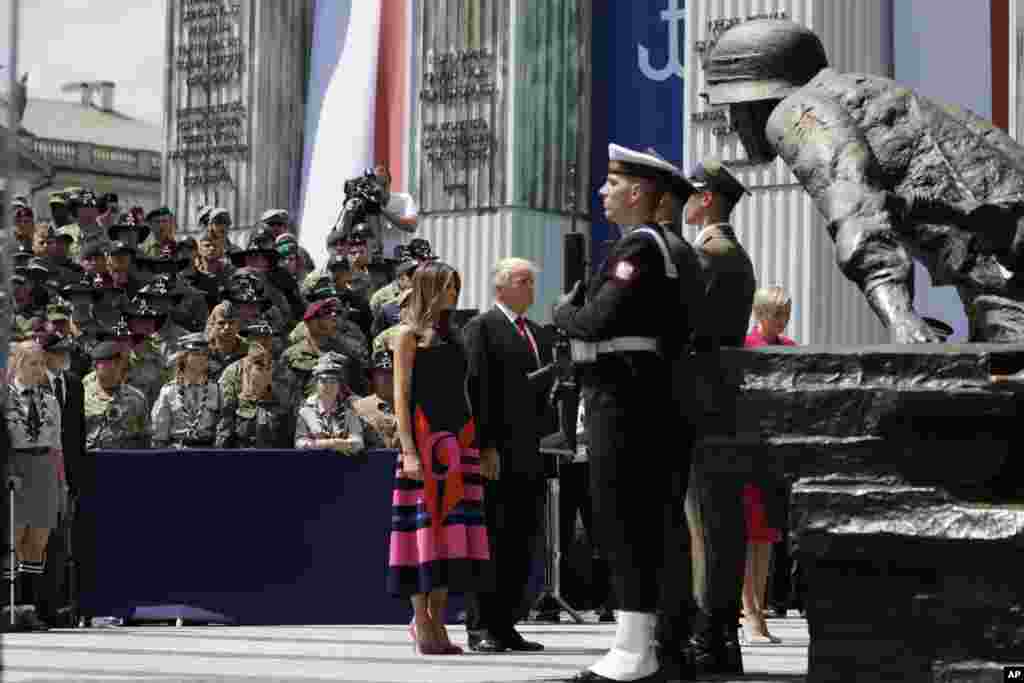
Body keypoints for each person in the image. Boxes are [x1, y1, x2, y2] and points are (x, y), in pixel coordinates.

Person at [705, 18, 1024, 343]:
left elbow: (855, 204)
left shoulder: (795, 111)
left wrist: (900, 318)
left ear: (757, 99)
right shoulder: (871, 92)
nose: (733, 121)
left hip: (1006, 265)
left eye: (734, 104)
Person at [552, 144, 705, 683]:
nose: (603, 192)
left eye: (612, 183)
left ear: (638, 192)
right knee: (659, 523)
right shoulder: (676, 249)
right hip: (656, 400)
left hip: (627, 402)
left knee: (624, 522)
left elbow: (595, 319)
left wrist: (561, 310)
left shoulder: (638, 250)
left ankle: (633, 650)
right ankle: (667, 645)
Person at [387, 261, 491, 656]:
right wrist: (409, 450)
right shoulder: (406, 336)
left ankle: (438, 620)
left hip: (459, 442)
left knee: (450, 538)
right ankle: (422, 622)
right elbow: (401, 397)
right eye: (449, 286)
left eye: (457, 285)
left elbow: (465, 393)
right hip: (423, 446)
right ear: (430, 288)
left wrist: (477, 444)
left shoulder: (457, 334)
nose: (455, 292)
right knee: (421, 536)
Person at [681, 158, 757, 678]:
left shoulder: (712, 254)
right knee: (719, 523)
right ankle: (721, 636)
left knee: (706, 526)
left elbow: (688, 331)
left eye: (691, 193)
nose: (685, 200)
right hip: (723, 402)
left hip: (703, 402)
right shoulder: (733, 254)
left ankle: (710, 636)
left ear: (707, 199)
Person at [462, 258, 554, 654]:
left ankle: (506, 623)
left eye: (533, 282)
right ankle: (481, 624)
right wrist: (484, 446)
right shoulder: (482, 328)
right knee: (492, 539)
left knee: (521, 539)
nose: (531, 288)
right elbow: (475, 390)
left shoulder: (536, 333)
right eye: (523, 281)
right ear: (500, 287)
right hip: (497, 453)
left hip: (532, 451)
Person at [741, 286, 796, 644]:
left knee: (766, 540)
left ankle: (758, 609)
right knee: (749, 538)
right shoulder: (746, 346)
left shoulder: (791, 349)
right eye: (777, 313)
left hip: (777, 454)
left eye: (786, 313)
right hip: (750, 452)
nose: (782, 319)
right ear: (760, 314)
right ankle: (750, 615)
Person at [1, 341, 63, 631]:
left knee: (37, 543)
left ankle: (30, 609)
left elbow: (58, 445)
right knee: (12, 542)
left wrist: (61, 481)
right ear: (16, 364)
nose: (39, 370)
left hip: (44, 469)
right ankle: (8, 610)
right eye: (32, 363)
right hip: (16, 469)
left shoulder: (50, 400)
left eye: (41, 364)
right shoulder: (4, 399)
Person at [150, 333, 223, 449]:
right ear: (184, 357)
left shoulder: (216, 390)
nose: (202, 358)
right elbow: (159, 433)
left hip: (207, 450)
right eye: (196, 354)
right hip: (176, 450)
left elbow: (222, 427)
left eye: (205, 354)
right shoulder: (169, 391)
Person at [215, 347, 293, 449]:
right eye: (259, 368)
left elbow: (292, 434)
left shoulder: (284, 398)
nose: (264, 373)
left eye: (268, 368)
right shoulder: (235, 399)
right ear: (248, 370)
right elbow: (224, 433)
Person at [294, 353, 364, 454]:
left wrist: (343, 444)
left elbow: (359, 442)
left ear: (340, 384)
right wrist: (326, 444)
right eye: (323, 381)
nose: (328, 386)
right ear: (316, 384)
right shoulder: (306, 411)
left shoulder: (349, 410)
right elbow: (299, 443)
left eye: (333, 381)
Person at [83, 342, 149, 450]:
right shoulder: (81, 396)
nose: (113, 367)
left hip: (125, 460)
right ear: (95, 365)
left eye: (117, 362)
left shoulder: (137, 398)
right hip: (92, 460)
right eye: (107, 363)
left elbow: (145, 437)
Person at [352, 349, 401, 450]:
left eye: (391, 372)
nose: (387, 378)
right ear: (373, 376)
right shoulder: (358, 408)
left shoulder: (414, 405)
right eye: (381, 373)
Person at [205, 302, 246, 382]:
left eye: (231, 322)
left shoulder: (249, 350)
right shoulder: (201, 351)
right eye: (221, 323)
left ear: (238, 325)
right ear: (212, 325)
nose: (227, 327)